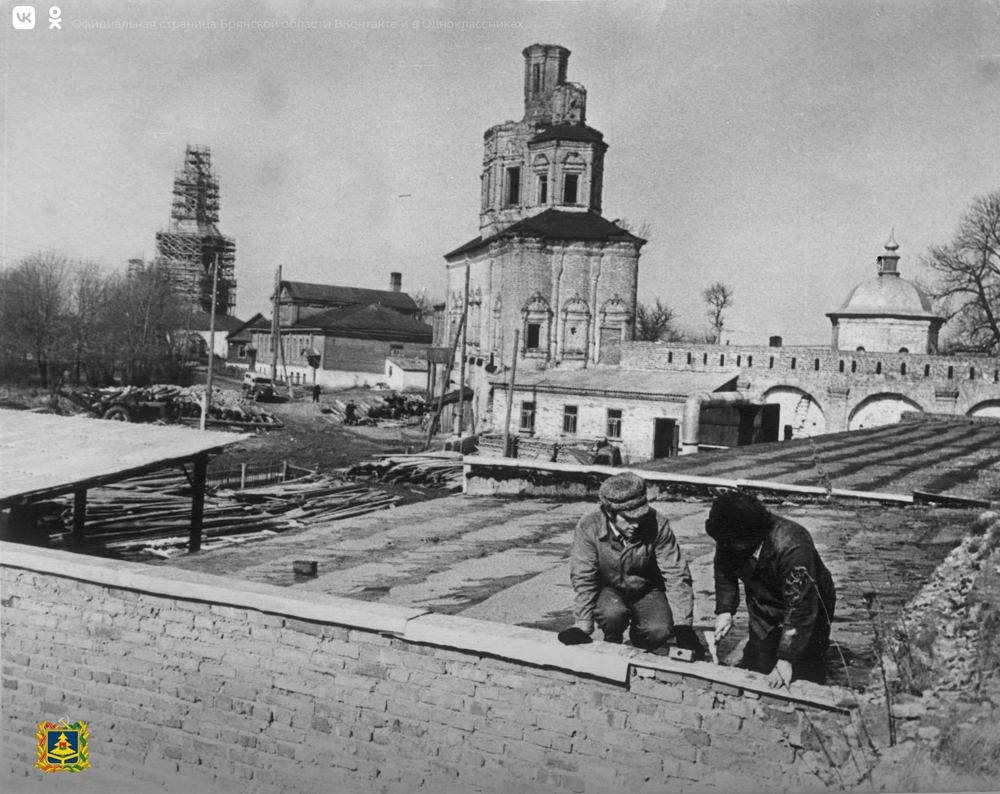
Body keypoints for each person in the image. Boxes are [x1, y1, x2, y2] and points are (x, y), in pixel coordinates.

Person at [560, 472, 704, 658]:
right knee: (612, 614)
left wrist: (684, 626)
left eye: (639, 517)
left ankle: (641, 642)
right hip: (610, 589)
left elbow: (676, 573)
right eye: (628, 518)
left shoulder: (658, 524)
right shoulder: (589, 526)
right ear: (610, 513)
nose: (635, 524)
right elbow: (584, 577)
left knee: (658, 629)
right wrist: (583, 625)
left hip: (647, 589)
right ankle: (612, 640)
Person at [706, 490, 836, 688]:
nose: (725, 546)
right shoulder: (730, 534)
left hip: (809, 603)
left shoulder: (792, 545)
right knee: (760, 660)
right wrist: (725, 610)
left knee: (805, 668)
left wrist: (786, 659)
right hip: (764, 601)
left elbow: (801, 606)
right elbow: (724, 570)